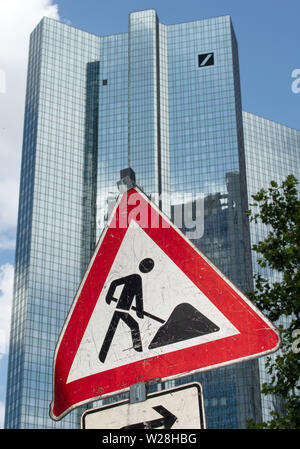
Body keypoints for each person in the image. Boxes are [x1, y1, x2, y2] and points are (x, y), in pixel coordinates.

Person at [99, 258, 154, 363]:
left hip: (124, 310)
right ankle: (138, 351)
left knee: (114, 330)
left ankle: (102, 355)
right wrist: (109, 296)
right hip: (120, 308)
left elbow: (139, 297)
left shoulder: (138, 279)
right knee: (131, 326)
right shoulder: (134, 277)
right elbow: (115, 283)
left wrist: (139, 312)